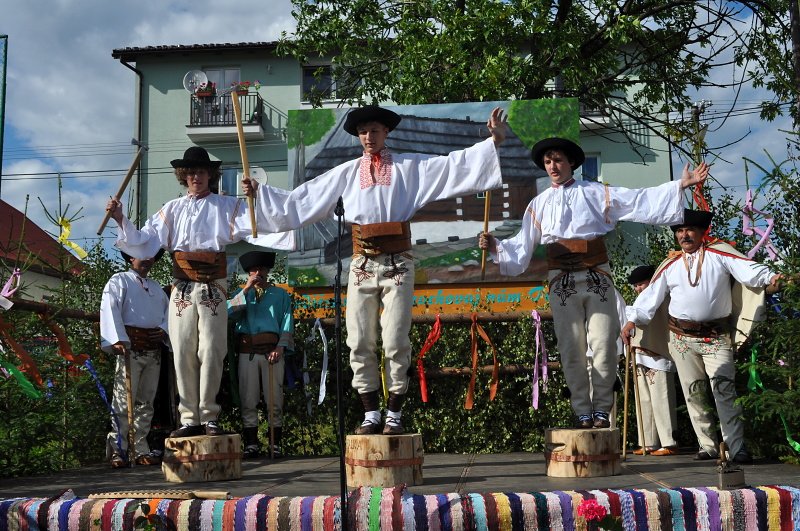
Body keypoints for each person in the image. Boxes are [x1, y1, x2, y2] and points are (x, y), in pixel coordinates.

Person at [244, 105, 508, 435]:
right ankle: (371, 413)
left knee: (396, 337)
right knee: (358, 338)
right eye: (364, 131)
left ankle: (394, 413)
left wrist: (493, 141)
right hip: (363, 264)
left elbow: (452, 166)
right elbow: (303, 200)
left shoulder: (410, 167)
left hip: (398, 262)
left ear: (386, 133)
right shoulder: (345, 173)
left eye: (376, 130)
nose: (370, 136)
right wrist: (262, 194)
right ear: (358, 136)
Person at [479, 137, 709, 429]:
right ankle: (582, 410)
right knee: (570, 347)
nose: (553, 166)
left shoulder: (596, 192)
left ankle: (602, 409)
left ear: (571, 163)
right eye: (548, 161)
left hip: (596, 275)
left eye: (558, 160)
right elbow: (521, 247)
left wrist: (679, 185)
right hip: (561, 279)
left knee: (603, 344)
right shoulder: (538, 204)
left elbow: (637, 199)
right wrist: (495, 246)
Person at [106, 146, 290, 438]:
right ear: (183, 176)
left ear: (210, 175)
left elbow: (259, 221)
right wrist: (119, 219)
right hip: (182, 286)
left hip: (213, 285)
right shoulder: (171, 209)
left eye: (201, 172)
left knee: (212, 350)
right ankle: (189, 418)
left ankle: (209, 415)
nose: (196, 177)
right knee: (181, 349)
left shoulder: (227, 205)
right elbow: (144, 242)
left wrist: (254, 194)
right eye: (190, 172)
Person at [622, 209, 783, 463]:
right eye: (679, 231)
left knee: (724, 389)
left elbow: (748, 269)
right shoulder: (671, 265)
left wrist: (771, 276)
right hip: (681, 338)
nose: (684, 235)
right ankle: (707, 445)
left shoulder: (719, 255)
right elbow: (650, 296)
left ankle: (736, 447)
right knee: (693, 392)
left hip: (715, 336)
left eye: (689, 230)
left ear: (700, 232)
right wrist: (632, 320)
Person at [100, 249, 169, 467]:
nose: (148, 261)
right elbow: (110, 308)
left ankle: (140, 449)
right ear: (131, 257)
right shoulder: (119, 280)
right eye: (143, 256)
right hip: (130, 349)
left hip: (153, 350)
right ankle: (119, 450)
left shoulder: (157, 288)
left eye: (151, 258)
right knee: (123, 401)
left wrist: (164, 329)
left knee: (146, 403)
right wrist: (117, 339)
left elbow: (168, 314)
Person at [227, 251, 293, 458]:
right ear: (248, 273)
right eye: (254, 270)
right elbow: (230, 314)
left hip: (272, 352)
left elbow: (287, 323)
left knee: (275, 399)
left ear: (267, 271)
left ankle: (275, 443)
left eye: (262, 269)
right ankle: (252, 444)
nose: (258, 273)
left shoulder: (280, 294)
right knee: (249, 398)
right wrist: (246, 289)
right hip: (248, 353)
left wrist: (281, 347)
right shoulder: (242, 293)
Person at [625, 265, 679, 456]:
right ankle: (648, 442)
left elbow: (643, 316)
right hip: (640, 354)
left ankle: (668, 442)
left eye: (641, 284)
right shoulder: (641, 299)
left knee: (661, 398)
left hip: (658, 353)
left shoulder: (660, 296)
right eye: (636, 285)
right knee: (644, 400)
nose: (638, 288)